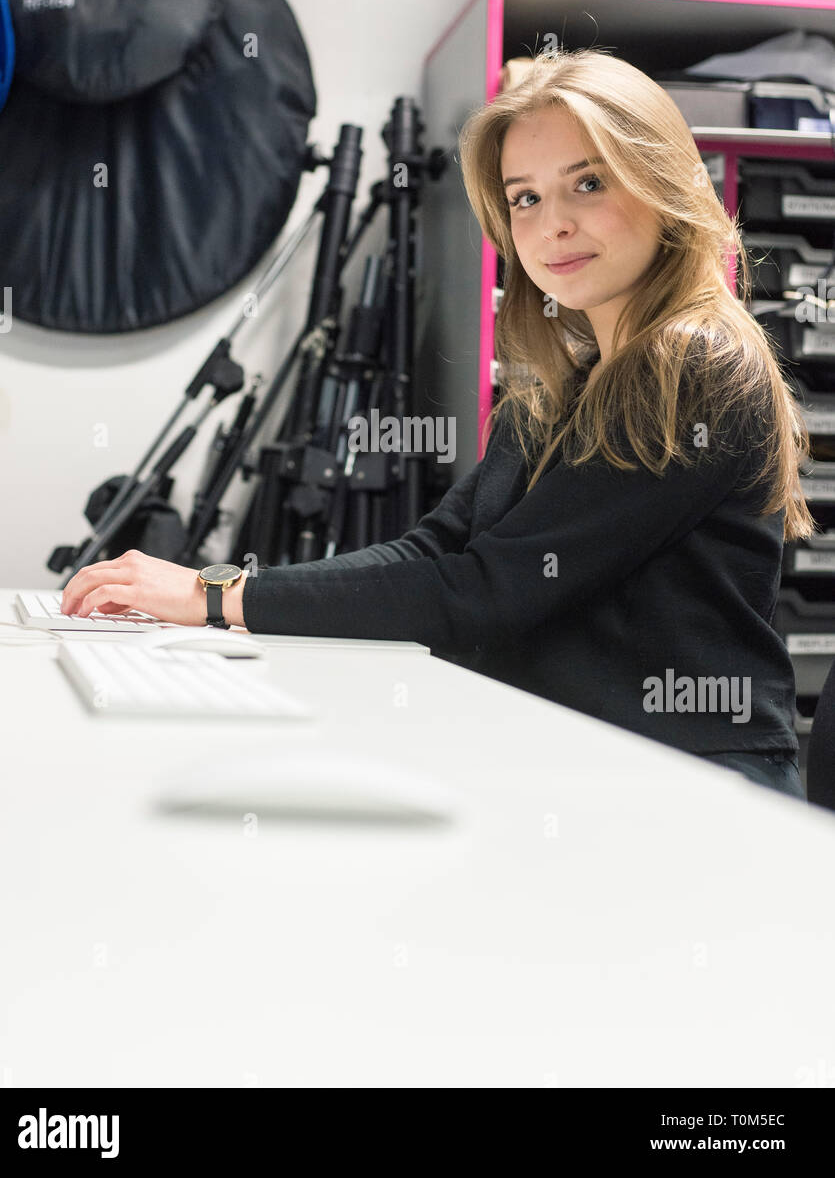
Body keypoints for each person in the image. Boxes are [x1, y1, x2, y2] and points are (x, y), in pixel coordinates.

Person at [61, 47, 816, 799]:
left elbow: (487, 590)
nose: (551, 225)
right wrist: (220, 594)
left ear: (662, 184)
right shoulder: (564, 383)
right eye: (524, 197)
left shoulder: (693, 365)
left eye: (587, 182)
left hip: (694, 789)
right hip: (585, 761)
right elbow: (437, 547)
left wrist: (219, 600)